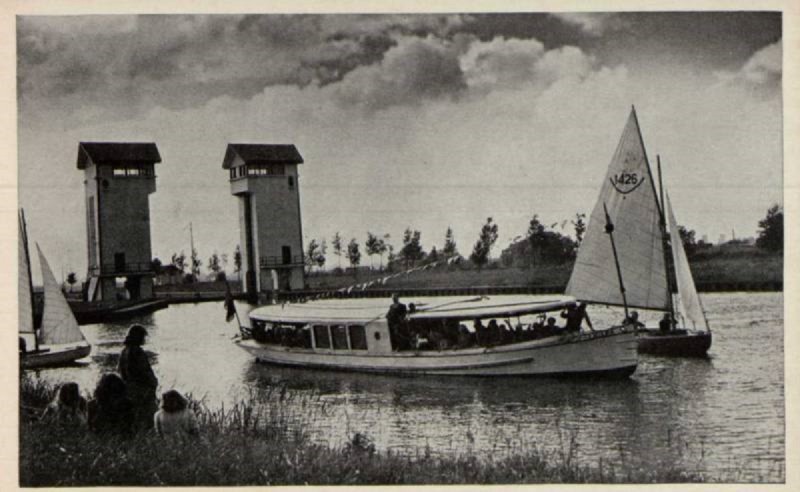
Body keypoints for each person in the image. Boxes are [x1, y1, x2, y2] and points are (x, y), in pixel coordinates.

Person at [118, 324, 158, 430]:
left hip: (129, 389)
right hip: (142, 390)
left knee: (136, 417)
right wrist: (153, 382)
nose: (144, 339)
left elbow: (121, 371)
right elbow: (145, 371)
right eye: (143, 337)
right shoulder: (138, 352)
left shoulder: (124, 351)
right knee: (147, 418)